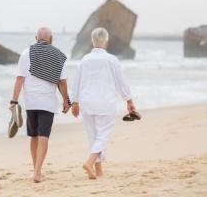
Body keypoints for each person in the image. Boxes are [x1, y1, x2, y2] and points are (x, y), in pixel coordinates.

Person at [71, 27, 137, 179]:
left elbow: (77, 82)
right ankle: (89, 163)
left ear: (92, 41)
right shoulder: (112, 60)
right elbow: (121, 83)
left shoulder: (85, 60)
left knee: (93, 137)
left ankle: (99, 171)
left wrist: (75, 103)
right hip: (105, 103)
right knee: (102, 136)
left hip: (87, 103)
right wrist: (129, 101)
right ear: (106, 41)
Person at [9, 27, 70, 183]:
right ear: (51, 39)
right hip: (48, 102)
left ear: (36, 38)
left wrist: (14, 101)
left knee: (34, 136)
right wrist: (66, 100)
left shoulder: (26, 53)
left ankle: (37, 170)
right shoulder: (58, 55)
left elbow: (19, 79)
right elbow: (61, 82)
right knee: (44, 136)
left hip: (30, 102)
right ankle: (37, 172)